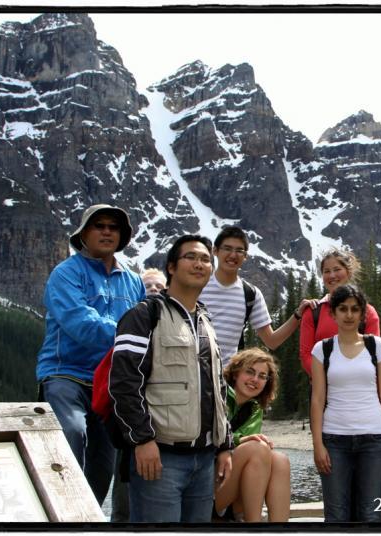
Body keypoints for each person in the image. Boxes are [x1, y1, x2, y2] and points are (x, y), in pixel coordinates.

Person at [108, 235, 233, 523]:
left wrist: (225, 445)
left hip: (205, 460)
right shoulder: (144, 315)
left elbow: (217, 387)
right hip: (160, 458)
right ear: (172, 268)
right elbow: (124, 383)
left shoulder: (206, 321)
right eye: (191, 257)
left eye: (205, 259)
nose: (199, 264)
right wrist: (142, 440)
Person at [35, 204, 145, 505]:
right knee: (72, 431)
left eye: (113, 227)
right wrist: (130, 334)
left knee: (102, 465)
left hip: (109, 382)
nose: (107, 232)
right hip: (65, 375)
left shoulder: (134, 282)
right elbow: (80, 324)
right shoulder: (65, 273)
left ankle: (88, 517)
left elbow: (146, 327)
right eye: (99, 226)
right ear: (83, 234)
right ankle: (60, 509)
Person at [310, 284, 381, 522]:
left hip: (375, 439)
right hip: (334, 439)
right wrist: (318, 444)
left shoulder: (376, 345)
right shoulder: (322, 349)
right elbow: (317, 399)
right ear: (333, 313)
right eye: (343, 309)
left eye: (354, 309)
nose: (349, 315)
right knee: (335, 514)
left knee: (372, 513)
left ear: (362, 314)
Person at [200, 226, 316, 368]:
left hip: (226, 378)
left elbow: (271, 341)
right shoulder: (197, 287)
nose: (233, 255)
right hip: (191, 374)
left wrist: (297, 315)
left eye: (239, 250)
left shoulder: (250, 294)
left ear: (245, 256)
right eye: (227, 248)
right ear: (215, 251)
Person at [110, 266, 169, 522]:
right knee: (124, 503)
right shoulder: (131, 322)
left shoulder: (173, 324)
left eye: (159, 286)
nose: (154, 289)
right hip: (129, 430)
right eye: (148, 286)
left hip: (164, 432)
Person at [214, 348, 291, 522]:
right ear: (235, 373)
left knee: (280, 460)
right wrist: (238, 440)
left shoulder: (254, 408)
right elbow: (211, 437)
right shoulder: (218, 396)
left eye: (262, 376)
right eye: (249, 372)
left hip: (235, 494)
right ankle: (253, 524)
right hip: (208, 488)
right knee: (257, 448)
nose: (255, 379)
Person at [299, 247, 380, 378]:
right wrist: (329, 378)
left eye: (337, 270)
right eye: (326, 271)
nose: (332, 276)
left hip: (359, 385)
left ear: (348, 272)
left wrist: (345, 379)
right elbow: (306, 355)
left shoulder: (368, 312)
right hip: (322, 388)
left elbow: (374, 353)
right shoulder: (313, 312)